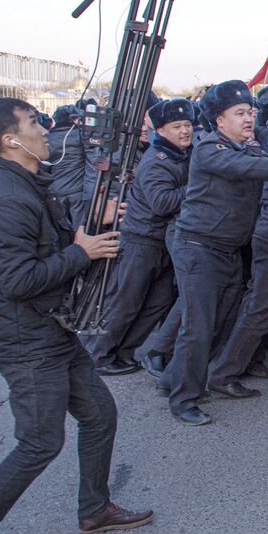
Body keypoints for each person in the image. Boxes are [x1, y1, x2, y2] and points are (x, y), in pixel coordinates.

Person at [0, 97, 153, 534]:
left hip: (51, 328)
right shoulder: (6, 196)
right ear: (10, 140)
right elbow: (18, 280)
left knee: (100, 414)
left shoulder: (24, 182)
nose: (45, 129)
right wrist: (83, 252)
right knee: (40, 442)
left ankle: (94, 510)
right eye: (34, 123)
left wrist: (93, 224)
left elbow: (48, 242)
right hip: (26, 339)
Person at [164, 81, 268, 424]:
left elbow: (258, 161)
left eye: (251, 112)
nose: (249, 119)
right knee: (198, 327)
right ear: (219, 120)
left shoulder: (246, 148)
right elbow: (249, 169)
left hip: (227, 250)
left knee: (219, 322)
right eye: (240, 113)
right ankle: (184, 399)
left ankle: (177, 381)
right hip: (198, 248)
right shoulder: (210, 148)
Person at [83, 98, 193, 376]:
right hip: (140, 241)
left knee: (156, 302)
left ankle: (123, 350)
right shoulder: (156, 161)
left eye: (188, 124)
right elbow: (163, 202)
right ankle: (97, 355)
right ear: (161, 131)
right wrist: (200, 186)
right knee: (125, 302)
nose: (184, 131)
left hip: (160, 242)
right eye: (176, 126)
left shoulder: (182, 155)